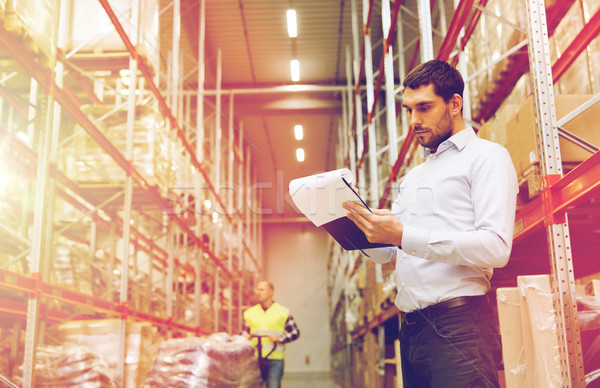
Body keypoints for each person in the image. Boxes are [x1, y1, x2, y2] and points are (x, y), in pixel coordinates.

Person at [343, 59, 518, 387]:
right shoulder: (414, 177)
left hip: (459, 327)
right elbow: (395, 251)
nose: (413, 120)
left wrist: (402, 233)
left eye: (423, 108)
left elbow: (496, 248)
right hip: (411, 330)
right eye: (408, 110)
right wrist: (357, 231)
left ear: (455, 103)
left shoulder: (487, 157)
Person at [242, 280, 300, 388]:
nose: (258, 292)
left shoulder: (282, 312)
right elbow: (243, 333)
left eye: (262, 290)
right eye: (257, 290)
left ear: (270, 292)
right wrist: (245, 337)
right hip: (254, 360)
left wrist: (280, 338)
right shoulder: (249, 313)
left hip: (275, 360)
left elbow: (295, 332)